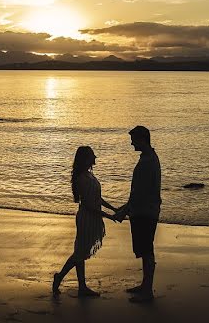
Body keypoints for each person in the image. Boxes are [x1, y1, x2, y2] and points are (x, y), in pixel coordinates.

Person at [53, 146, 118, 297]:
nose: (95, 158)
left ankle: (81, 286)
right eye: (92, 156)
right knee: (79, 253)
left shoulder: (88, 175)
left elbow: (97, 198)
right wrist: (108, 216)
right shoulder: (81, 178)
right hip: (86, 217)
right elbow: (88, 205)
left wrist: (113, 209)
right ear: (86, 159)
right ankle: (62, 277)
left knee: (80, 253)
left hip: (93, 216)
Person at [114, 125, 161, 303]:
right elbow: (138, 191)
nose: (131, 143)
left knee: (147, 251)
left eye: (133, 140)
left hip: (145, 211)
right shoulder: (148, 158)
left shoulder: (148, 161)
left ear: (142, 139)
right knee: (145, 249)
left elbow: (140, 192)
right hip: (145, 210)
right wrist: (126, 208)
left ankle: (147, 291)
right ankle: (145, 286)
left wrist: (124, 210)